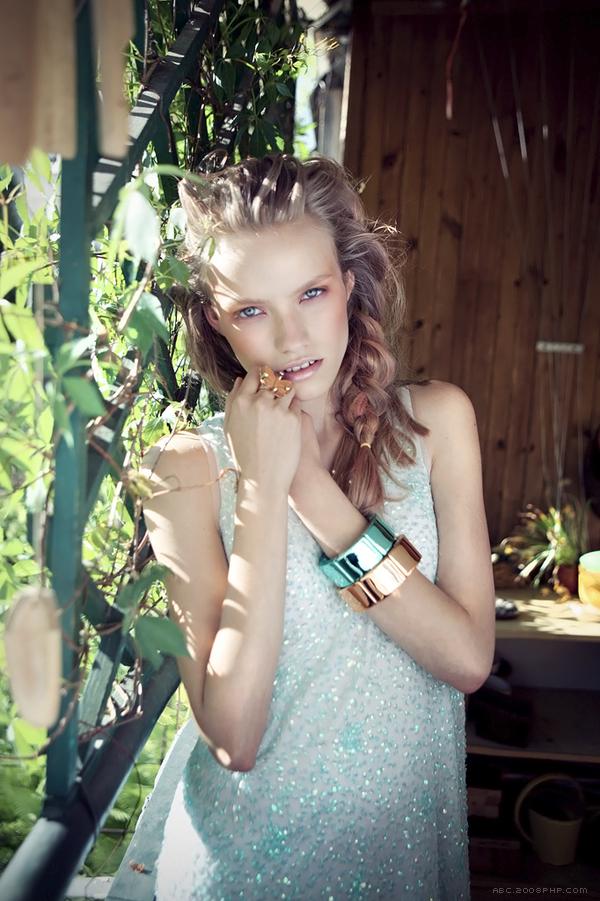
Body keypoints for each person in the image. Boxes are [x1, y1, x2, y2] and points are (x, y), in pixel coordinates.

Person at [140, 153, 495, 900]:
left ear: (349, 284)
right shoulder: (183, 471)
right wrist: (260, 489)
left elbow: (466, 659)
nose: (293, 337)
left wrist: (307, 485)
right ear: (215, 319)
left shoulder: (438, 425)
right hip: (237, 873)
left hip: (404, 869)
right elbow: (233, 738)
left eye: (311, 292)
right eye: (251, 310)